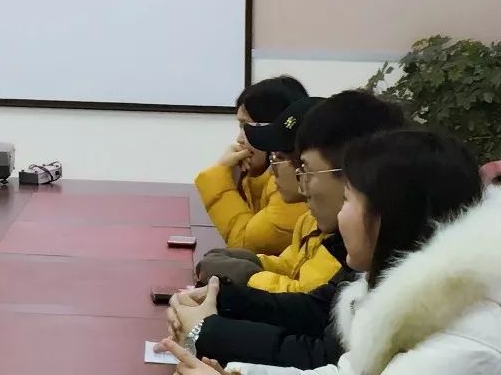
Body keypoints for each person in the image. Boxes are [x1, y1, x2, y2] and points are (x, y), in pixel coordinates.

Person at [163, 129, 501, 374]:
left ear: (389, 217)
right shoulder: (433, 296)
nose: (340, 214)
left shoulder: (469, 332)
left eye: (349, 199)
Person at [175, 90, 408, 366]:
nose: (302, 185)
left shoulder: (396, 274)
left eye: (304, 168)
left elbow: (322, 356)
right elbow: (318, 307)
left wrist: (207, 329)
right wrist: (222, 297)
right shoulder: (369, 255)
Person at [198, 97, 345, 293]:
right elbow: (289, 266)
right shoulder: (308, 218)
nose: (240, 140)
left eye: (278, 157)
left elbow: (305, 297)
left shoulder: (329, 224)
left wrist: (245, 275)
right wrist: (251, 262)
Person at [195, 76, 310, 256]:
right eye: (240, 127)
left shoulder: (295, 185)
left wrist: (219, 175)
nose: (239, 139)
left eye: (247, 127)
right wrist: (239, 177)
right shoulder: (262, 177)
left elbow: (245, 244)